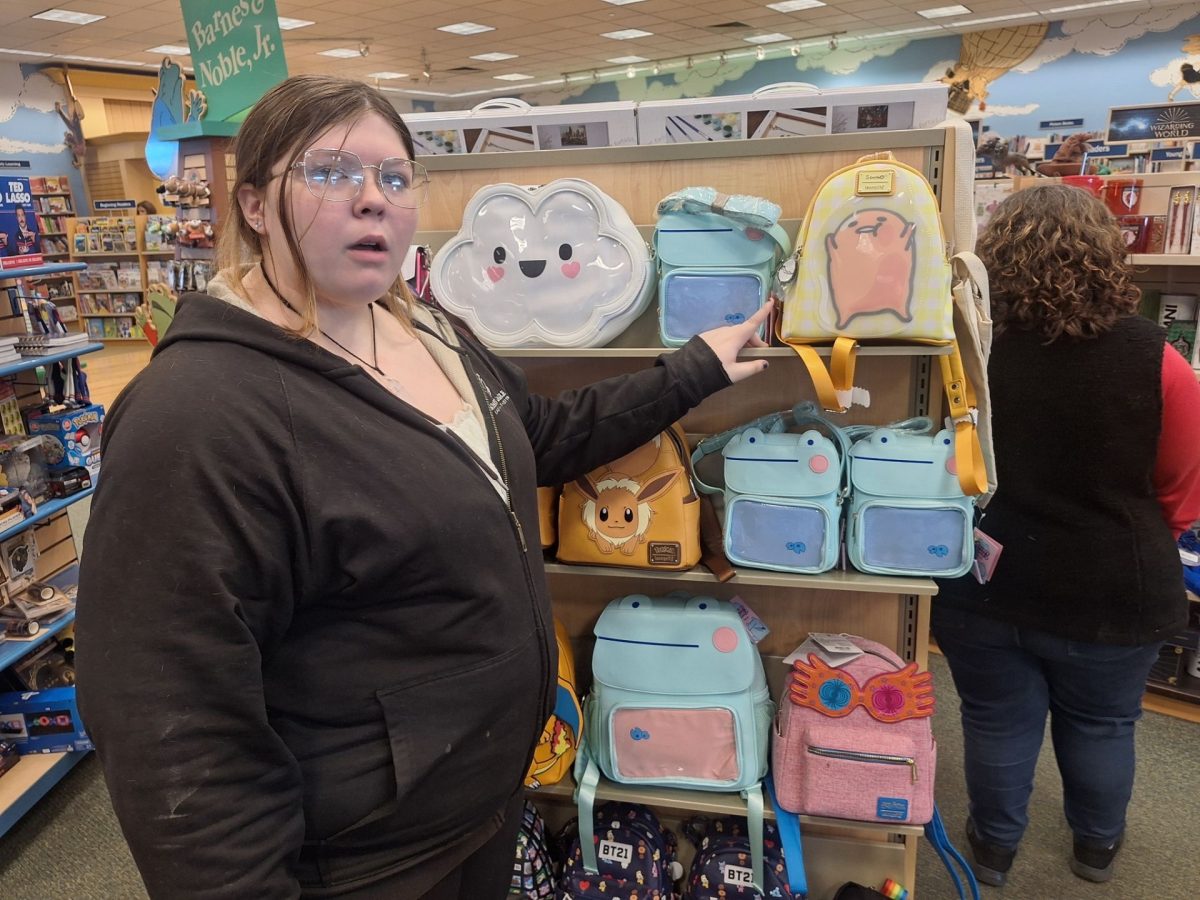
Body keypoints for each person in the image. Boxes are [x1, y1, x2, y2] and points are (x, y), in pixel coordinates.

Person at [74, 74, 772, 899]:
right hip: (364, 864)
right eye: (331, 172)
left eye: (395, 176)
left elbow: (534, 439)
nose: (374, 200)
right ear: (255, 205)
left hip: (476, 811)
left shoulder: (425, 328)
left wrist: (696, 370)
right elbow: (174, 729)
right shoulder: (197, 416)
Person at [932, 184, 1200, 887]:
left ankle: (992, 849)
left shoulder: (966, 353)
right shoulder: (1159, 358)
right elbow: (1180, 487)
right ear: (1106, 256)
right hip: (1114, 583)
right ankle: (1095, 850)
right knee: (1104, 726)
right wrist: (1129, 535)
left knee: (994, 719)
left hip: (986, 578)